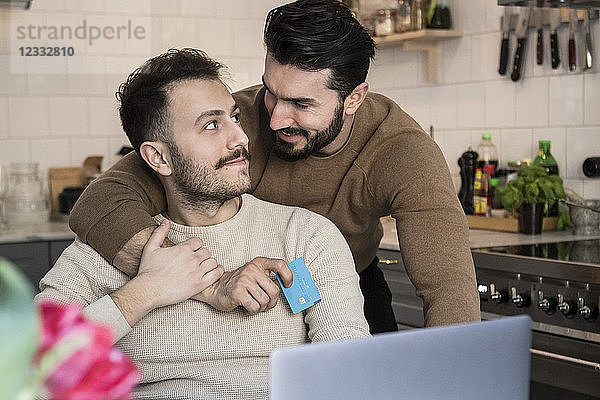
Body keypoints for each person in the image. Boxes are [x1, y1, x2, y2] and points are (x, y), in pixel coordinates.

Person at [69, 0, 480, 333]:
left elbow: (448, 286)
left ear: (353, 98)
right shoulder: (236, 119)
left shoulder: (401, 152)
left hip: (344, 283)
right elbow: (100, 202)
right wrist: (206, 283)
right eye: (271, 92)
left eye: (301, 104)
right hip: (229, 276)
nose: (275, 119)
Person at [36, 48, 370, 400]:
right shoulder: (103, 251)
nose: (240, 138)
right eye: (211, 125)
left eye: (235, 117)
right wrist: (146, 290)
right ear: (159, 157)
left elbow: (346, 373)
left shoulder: (305, 238)